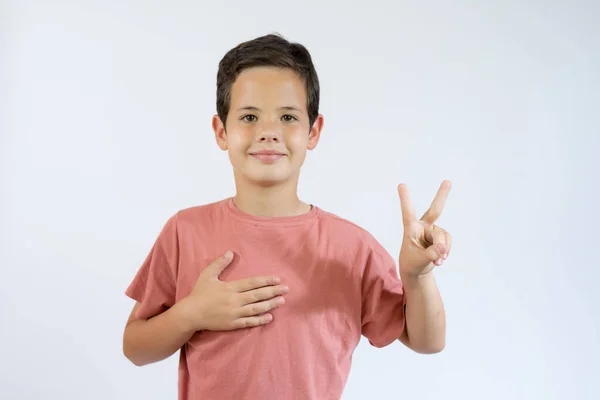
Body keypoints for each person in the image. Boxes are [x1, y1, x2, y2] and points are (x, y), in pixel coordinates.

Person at [122, 33, 453, 400]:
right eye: (249, 116)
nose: (268, 133)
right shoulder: (185, 231)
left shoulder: (352, 247)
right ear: (221, 131)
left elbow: (427, 341)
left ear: (313, 131)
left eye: (287, 117)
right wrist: (191, 314)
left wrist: (417, 275)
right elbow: (135, 347)